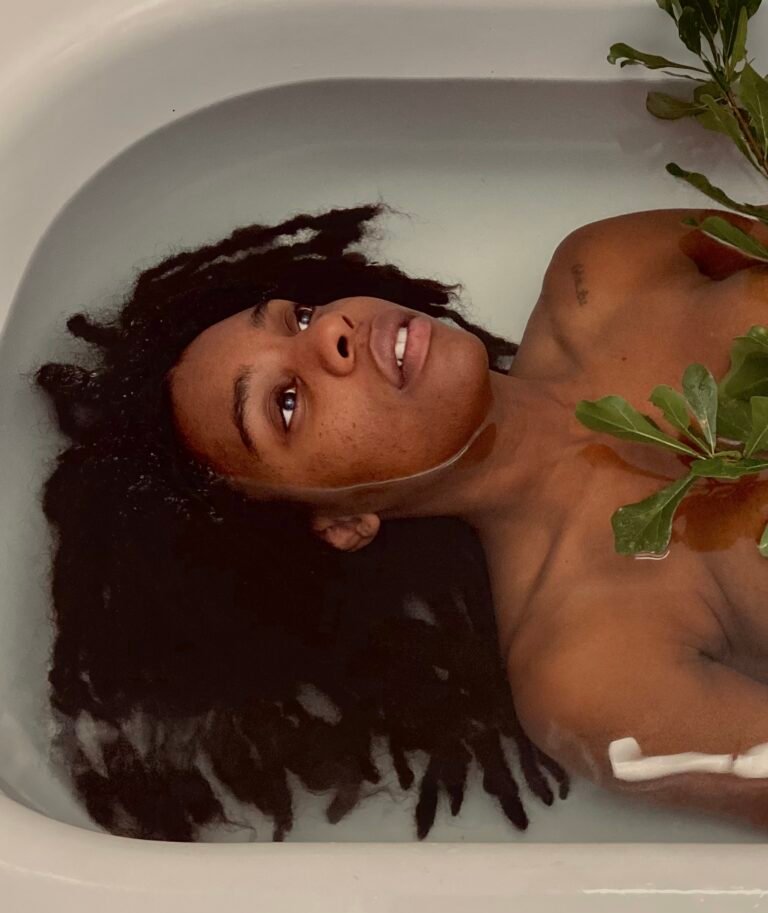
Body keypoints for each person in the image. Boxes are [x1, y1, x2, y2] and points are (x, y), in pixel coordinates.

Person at [37, 200, 768, 843]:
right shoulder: (589, 667)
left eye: (299, 316)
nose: (332, 334)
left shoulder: (607, 270)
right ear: (343, 522)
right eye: (286, 403)